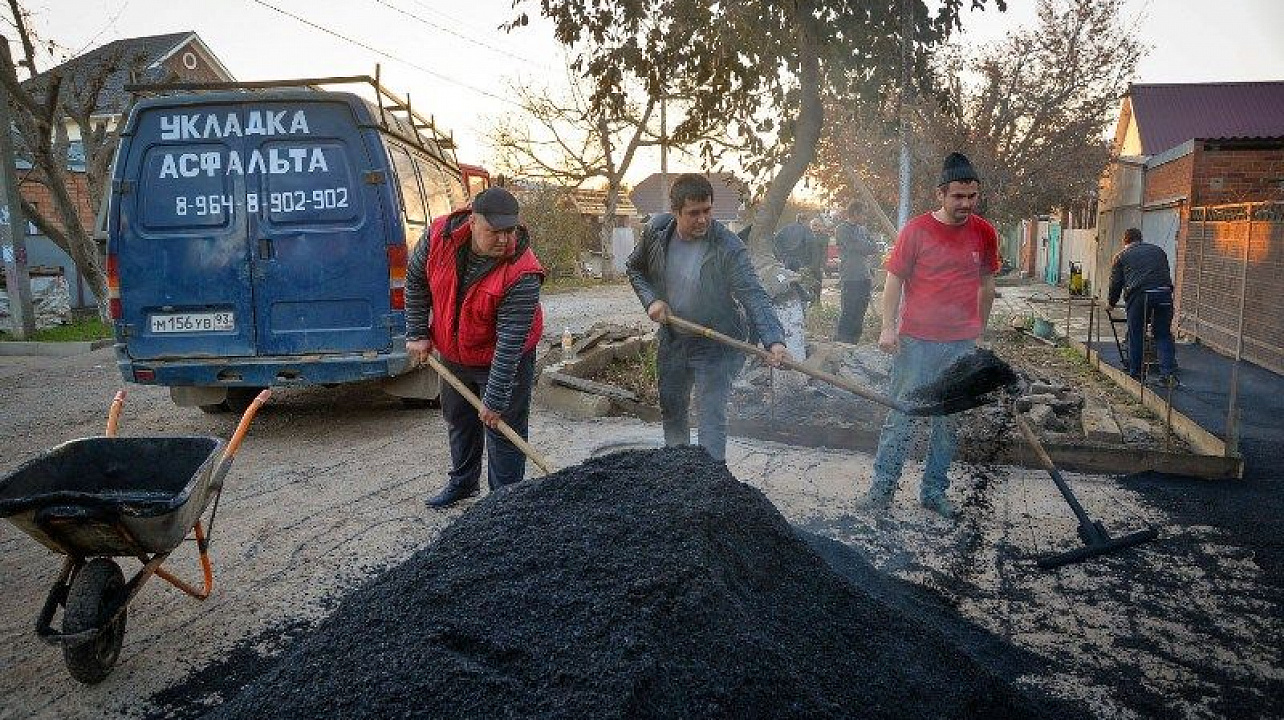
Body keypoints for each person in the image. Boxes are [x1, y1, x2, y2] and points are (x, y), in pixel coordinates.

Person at [862, 153, 1000, 519]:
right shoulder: (917, 231)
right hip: (916, 341)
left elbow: (987, 287)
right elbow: (894, 280)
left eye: (972, 197)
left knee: (948, 422)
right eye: (958, 197)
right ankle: (882, 490)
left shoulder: (984, 233)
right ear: (941, 194)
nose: (966, 204)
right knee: (901, 417)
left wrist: (978, 335)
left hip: (959, 345)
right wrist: (888, 327)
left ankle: (934, 492)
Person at [626, 173, 791, 463]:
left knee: (710, 416)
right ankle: (678, 474)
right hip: (674, 338)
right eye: (693, 213)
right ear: (675, 212)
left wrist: (774, 339)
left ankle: (713, 485)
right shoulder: (655, 233)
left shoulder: (727, 246)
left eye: (707, 211)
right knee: (673, 408)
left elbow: (753, 293)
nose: (703, 219)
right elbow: (635, 269)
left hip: (715, 341)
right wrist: (651, 300)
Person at [406, 187, 545, 508]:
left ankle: (504, 501)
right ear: (472, 222)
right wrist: (417, 332)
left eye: (510, 231)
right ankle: (464, 483)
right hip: (454, 352)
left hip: (506, 356)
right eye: (494, 232)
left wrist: (495, 400)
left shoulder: (523, 273)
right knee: (460, 419)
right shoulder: (439, 236)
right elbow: (416, 281)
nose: (504, 240)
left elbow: (510, 343)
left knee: (503, 428)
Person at [1107, 227, 1178, 385]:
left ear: (1125, 240)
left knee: (1136, 333)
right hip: (1164, 294)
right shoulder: (1158, 251)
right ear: (1140, 238)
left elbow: (1116, 283)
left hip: (1140, 295)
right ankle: (1169, 375)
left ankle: (1137, 373)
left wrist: (1111, 303)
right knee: (1163, 334)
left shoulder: (1121, 256)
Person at [833, 201, 880, 344]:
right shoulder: (842, 229)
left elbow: (874, 247)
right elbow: (858, 246)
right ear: (855, 213)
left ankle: (854, 341)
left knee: (860, 310)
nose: (865, 217)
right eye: (863, 213)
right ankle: (842, 341)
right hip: (850, 276)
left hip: (864, 276)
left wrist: (865, 245)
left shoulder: (863, 230)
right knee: (849, 310)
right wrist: (865, 245)